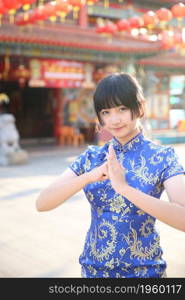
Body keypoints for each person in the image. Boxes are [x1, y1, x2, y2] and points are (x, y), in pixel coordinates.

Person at [36, 73, 185, 278]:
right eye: (106, 112)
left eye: (122, 109)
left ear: (140, 107)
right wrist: (89, 176)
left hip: (145, 273)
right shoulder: (92, 157)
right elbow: (42, 203)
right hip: (93, 272)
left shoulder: (162, 157)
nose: (114, 120)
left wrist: (124, 189)